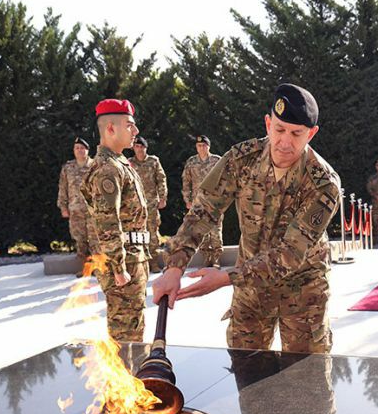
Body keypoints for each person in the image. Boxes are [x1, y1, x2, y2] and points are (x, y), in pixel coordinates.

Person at [153, 83, 341, 353]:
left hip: (303, 292)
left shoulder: (323, 183)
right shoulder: (242, 159)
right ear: (267, 123)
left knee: (307, 383)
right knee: (247, 370)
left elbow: (289, 253)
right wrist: (174, 267)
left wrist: (226, 278)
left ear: (312, 134)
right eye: (279, 130)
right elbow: (205, 210)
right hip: (251, 290)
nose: (285, 142)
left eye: (296, 134)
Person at [81, 99, 149, 342]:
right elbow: (107, 223)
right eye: (130, 125)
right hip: (123, 262)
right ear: (111, 128)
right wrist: (119, 268)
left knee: (134, 327)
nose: (136, 131)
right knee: (126, 335)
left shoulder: (120, 163)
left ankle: (132, 378)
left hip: (133, 256)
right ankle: (126, 380)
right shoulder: (107, 169)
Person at [57, 137, 97, 274]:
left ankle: (97, 268)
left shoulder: (95, 165)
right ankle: (84, 269)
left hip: (94, 210)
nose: (79, 150)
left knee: (95, 239)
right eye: (77, 148)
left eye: (82, 148)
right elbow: (63, 188)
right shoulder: (68, 168)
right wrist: (63, 207)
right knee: (80, 240)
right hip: (75, 210)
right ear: (74, 151)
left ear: (87, 150)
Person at [182, 135, 223, 268]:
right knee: (201, 230)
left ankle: (216, 258)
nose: (201, 148)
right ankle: (206, 258)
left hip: (214, 202)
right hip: (197, 202)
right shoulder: (191, 162)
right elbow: (186, 181)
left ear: (208, 146)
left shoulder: (217, 160)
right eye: (199, 146)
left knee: (216, 230)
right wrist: (187, 200)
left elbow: (225, 179)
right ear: (196, 147)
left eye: (204, 145)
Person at [129, 136, 168, 273]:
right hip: (135, 206)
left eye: (142, 147)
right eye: (137, 146)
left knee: (152, 234)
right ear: (133, 147)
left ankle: (154, 263)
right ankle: (141, 263)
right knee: (137, 234)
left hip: (151, 204)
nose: (139, 149)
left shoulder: (153, 161)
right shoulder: (129, 163)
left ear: (146, 148)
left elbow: (161, 180)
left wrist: (162, 198)